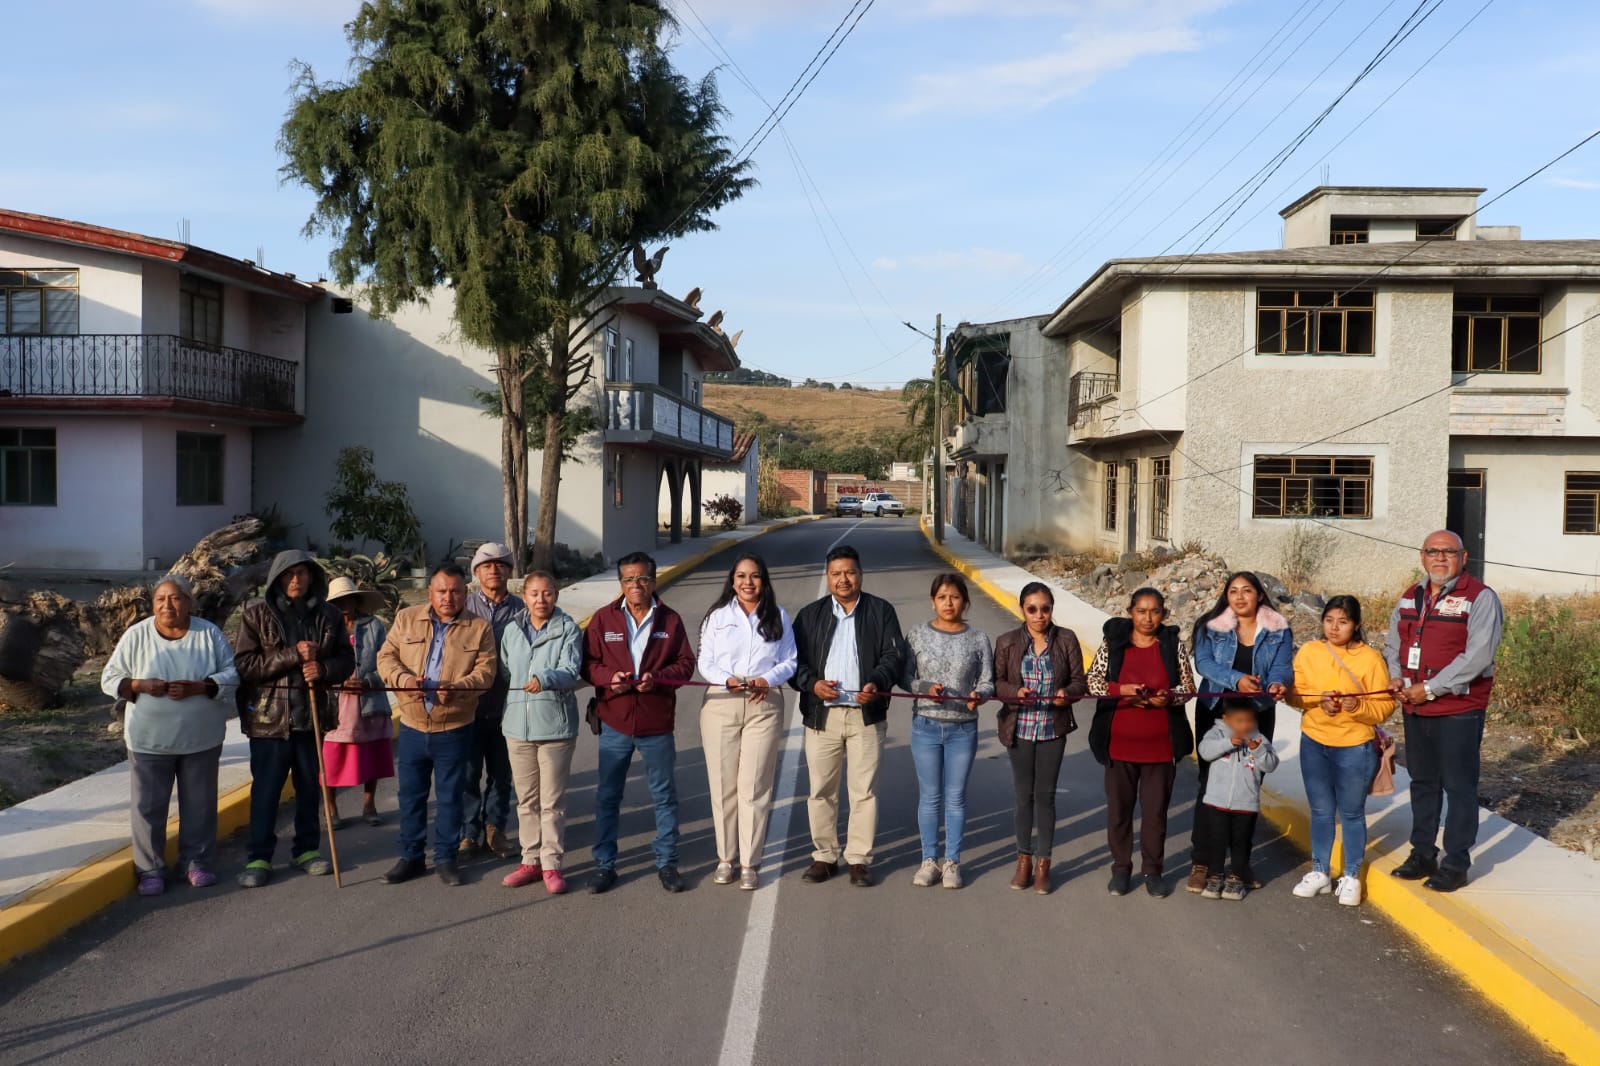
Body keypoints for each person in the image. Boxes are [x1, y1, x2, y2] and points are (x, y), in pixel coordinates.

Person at [101, 575, 239, 895]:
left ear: (189, 603)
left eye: (176, 598)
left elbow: (232, 675)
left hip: (200, 739)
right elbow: (109, 678)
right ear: (153, 606)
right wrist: (138, 685)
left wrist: (202, 686)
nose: (168, 605)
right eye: (161, 599)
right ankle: (150, 869)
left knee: (199, 805)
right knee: (148, 807)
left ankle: (197, 862)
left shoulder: (209, 634)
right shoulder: (137, 636)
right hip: (149, 740)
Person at [1383, 530, 1504, 893]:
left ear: (1463, 557)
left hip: (1457, 709)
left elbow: (1478, 656)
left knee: (1459, 786)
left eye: (1448, 552)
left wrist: (1431, 689)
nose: (1440, 558)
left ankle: (1455, 862)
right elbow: (1394, 642)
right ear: (1422, 556)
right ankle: (1422, 853)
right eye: (1433, 551)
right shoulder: (1410, 596)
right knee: (1423, 783)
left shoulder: (1480, 598)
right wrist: (1395, 677)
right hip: (1415, 708)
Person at [234, 551, 354, 888]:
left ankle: (307, 850)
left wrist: (325, 669)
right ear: (276, 578)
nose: (296, 580)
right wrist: (293, 655)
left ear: (313, 577)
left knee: (307, 789)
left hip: (311, 715)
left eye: (302, 573)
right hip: (269, 719)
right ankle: (259, 856)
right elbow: (245, 666)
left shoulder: (329, 615)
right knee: (267, 791)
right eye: (289, 574)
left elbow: (346, 659)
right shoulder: (255, 614)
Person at [582, 551, 697, 895]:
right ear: (621, 583)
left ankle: (667, 862)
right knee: (608, 797)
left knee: (664, 796)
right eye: (629, 579)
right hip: (614, 722)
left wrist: (657, 679)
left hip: (656, 723)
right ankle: (605, 864)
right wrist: (608, 678)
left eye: (643, 578)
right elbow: (587, 664)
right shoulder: (603, 620)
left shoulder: (671, 621)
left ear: (654, 580)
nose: (636, 585)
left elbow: (686, 664)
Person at [377, 563, 498, 887]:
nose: (448, 597)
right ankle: (411, 857)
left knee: (450, 796)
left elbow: (486, 672)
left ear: (465, 593)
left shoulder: (479, 628)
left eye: (455, 591)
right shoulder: (406, 619)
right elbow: (386, 657)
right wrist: (404, 681)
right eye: (442, 591)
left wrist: (459, 687)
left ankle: (446, 858)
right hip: (414, 726)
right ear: (429, 592)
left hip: (455, 726)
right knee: (411, 796)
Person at [790, 544, 904, 887]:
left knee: (863, 791)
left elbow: (893, 657)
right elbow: (794, 664)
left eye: (850, 572)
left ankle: (858, 859)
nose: (844, 579)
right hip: (821, 716)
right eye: (836, 573)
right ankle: (824, 856)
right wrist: (812, 685)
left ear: (861, 574)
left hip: (865, 716)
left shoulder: (881, 611)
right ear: (827, 577)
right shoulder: (809, 616)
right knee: (821, 790)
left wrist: (876, 682)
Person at [697, 553, 797, 891]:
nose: (747, 582)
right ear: (732, 580)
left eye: (754, 576)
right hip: (722, 703)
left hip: (763, 704)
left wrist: (766, 679)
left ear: (764, 581)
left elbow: (790, 661)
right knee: (724, 786)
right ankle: (725, 858)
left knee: (754, 786)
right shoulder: (717, 617)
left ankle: (749, 863)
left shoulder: (778, 616)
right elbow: (705, 661)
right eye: (741, 576)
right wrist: (727, 679)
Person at [1187, 572, 1292, 893]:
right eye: (1234, 591)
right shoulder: (1212, 626)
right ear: (1226, 596)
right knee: (1210, 787)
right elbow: (1204, 664)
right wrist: (1236, 679)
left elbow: (1283, 666)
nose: (1240, 596)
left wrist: (1277, 683)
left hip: (1258, 713)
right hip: (1216, 710)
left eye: (1247, 591)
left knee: (1249, 785)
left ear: (1260, 595)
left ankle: (1239, 866)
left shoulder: (1278, 629)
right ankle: (1203, 861)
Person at [1087, 587, 1195, 898]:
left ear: (1164, 614)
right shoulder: (1114, 643)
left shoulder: (1173, 645)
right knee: (1119, 811)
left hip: (1160, 746)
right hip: (1119, 744)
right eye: (1142, 611)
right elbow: (1093, 681)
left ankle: (1153, 870)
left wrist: (1168, 698)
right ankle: (1121, 868)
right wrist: (1122, 690)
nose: (1148, 618)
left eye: (1155, 611)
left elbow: (1187, 687)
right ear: (1130, 611)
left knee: (1155, 812)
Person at [1290, 595, 1395, 906]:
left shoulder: (1370, 659)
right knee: (1321, 811)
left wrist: (1358, 705)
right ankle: (1320, 872)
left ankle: (1351, 876)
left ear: (1357, 625)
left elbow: (1385, 704)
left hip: (1354, 747)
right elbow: (1294, 694)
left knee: (1351, 813)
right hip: (1314, 742)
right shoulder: (1310, 652)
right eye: (1330, 620)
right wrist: (1316, 700)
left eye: (1343, 622)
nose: (1335, 628)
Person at [899, 573, 994, 890]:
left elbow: (987, 681)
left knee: (955, 798)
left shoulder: (978, 638)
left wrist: (978, 696)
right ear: (933, 601)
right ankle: (929, 860)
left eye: (954, 596)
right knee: (930, 797)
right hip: (925, 726)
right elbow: (904, 677)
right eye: (942, 597)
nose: (948, 602)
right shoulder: (916, 635)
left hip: (962, 729)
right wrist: (925, 688)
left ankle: (952, 862)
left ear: (965, 601)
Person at [993, 581, 1087, 894]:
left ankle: (1044, 863)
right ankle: (1023, 860)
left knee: (1045, 797)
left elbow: (1079, 682)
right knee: (1024, 796)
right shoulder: (1007, 642)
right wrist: (1014, 693)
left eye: (1045, 608)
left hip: (1052, 729)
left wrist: (1066, 694)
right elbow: (998, 683)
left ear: (1051, 610)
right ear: (1022, 609)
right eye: (1032, 608)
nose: (1039, 615)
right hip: (1018, 728)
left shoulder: (1066, 640)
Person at [499, 570, 583, 894]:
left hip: (556, 728)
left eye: (547, 593)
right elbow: (507, 669)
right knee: (526, 801)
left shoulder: (568, 630)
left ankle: (551, 865)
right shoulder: (511, 630)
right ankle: (530, 860)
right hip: (517, 727)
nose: (541, 600)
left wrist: (545, 678)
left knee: (552, 802)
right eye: (534, 594)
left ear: (556, 595)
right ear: (525, 597)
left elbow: (570, 670)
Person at [461, 541, 525, 860]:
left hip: (508, 706)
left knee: (501, 774)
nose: (494, 570)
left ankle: (495, 828)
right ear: (477, 572)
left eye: (501, 564)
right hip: (469, 706)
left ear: (509, 571)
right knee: (468, 773)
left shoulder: (522, 609)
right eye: (487, 565)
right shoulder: (463, 607)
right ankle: (468, 832)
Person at [321, 576, 393, 828]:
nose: (344, 604)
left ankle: (369, 804)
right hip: (336, 702)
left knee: (372, 752)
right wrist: (340, 682)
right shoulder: (324, 628)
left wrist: (369, 679)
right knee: (331, 755)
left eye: (348, 599)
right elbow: (318, 667)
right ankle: (331, 808)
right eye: (338, 601)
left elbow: (387, 659)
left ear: (356, 599)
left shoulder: (374, 626)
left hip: (370, 698)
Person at [1194, 699, 1280, 901]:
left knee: (1241, 842)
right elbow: (1205, 751)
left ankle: (1236, 878)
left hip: (1245, 803)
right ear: (1226, 719)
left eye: (1249, 721)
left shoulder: (1259, 739)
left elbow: (1271, 764)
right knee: (1217, 840)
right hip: (1217, 802)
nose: (1245, 726)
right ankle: (1215, 876)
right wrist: (1227, 743)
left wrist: (1258, 750)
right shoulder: (1217, 734)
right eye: (1239, 721)